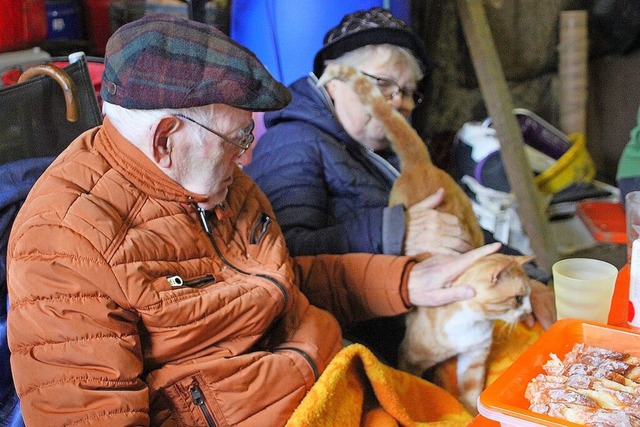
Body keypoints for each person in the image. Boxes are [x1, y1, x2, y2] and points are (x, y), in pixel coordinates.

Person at [6, 14, 502, 426]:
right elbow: (89, 416)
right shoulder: (64, 242)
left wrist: (410, 281)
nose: (248, 159)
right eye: (238, 140)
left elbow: (286, 281)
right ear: (165, 140)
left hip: (334, 380)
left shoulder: (218, 180)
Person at [244, 7, 556, 359]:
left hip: (450, 322)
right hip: (371, 345)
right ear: (333, 82)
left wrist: (529, 277)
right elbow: (281, 256)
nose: (400, 102)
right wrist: (393, 231)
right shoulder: (292, 143)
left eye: (409, 92)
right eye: (383, 85)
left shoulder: (387, 155)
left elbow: (462, 231)